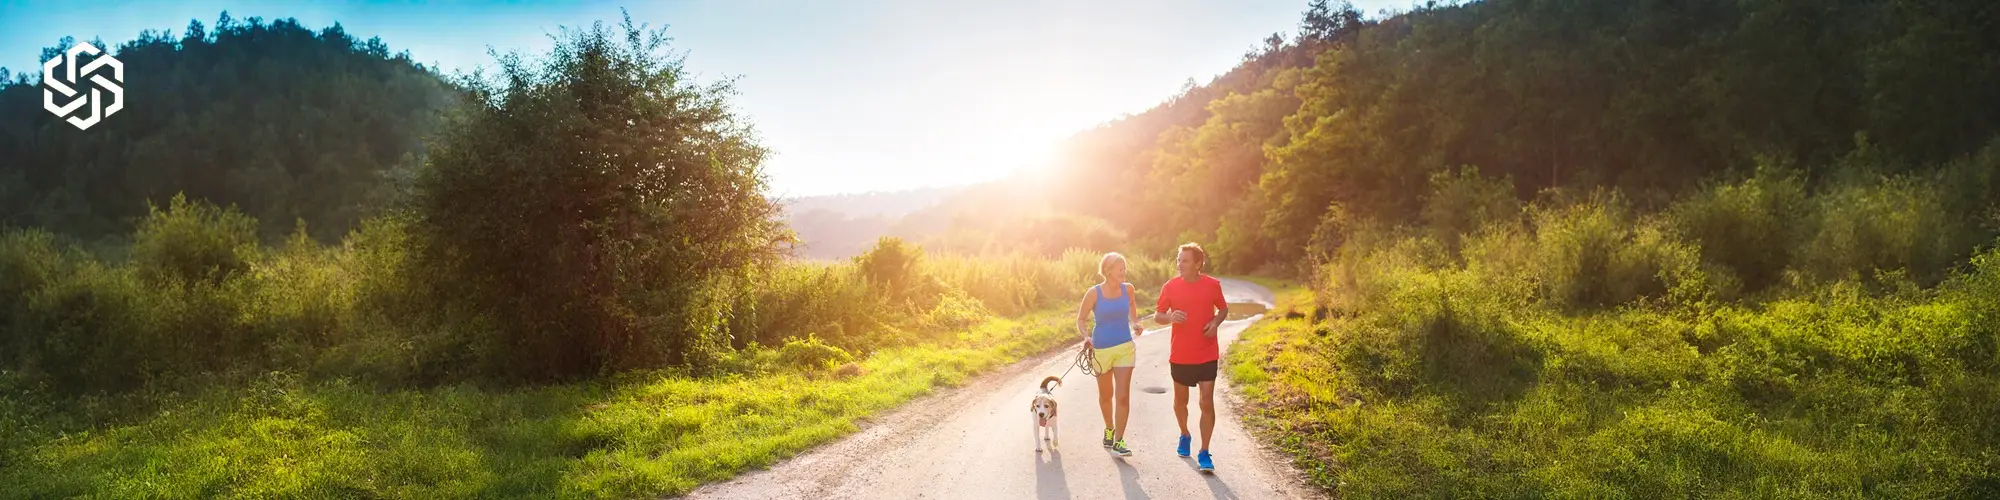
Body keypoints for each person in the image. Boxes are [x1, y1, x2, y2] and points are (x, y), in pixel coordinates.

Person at [1154, 242, 1229, 472]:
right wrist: (1170, 318)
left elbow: (1223, 309)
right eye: (1178, 260)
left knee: (1206, 401)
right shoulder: (1170, 287)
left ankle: (1204, 451)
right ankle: (1184, 433)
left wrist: (1215, 322)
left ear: (1198, 264)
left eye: (1185, 260)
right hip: (1181, 354)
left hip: (1206, 351)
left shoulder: (1212, 285)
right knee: (1180, 402)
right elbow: (1158, 315)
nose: (1180, 264)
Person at [1076, 252, 1145, 457]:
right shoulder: (1094, 293)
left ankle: (1119, 441)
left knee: (1123, 396)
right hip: (1101, 350)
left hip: (1125, 347)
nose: (1124, 271)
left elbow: (1132, 306)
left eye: (1124, 267)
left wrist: (1135, 322)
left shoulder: (1129, 289)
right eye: (1120, 267)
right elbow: (1081, 319)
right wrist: (1086, 337)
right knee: (1106, 395)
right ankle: (1109, 428)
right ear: (1107, 270)